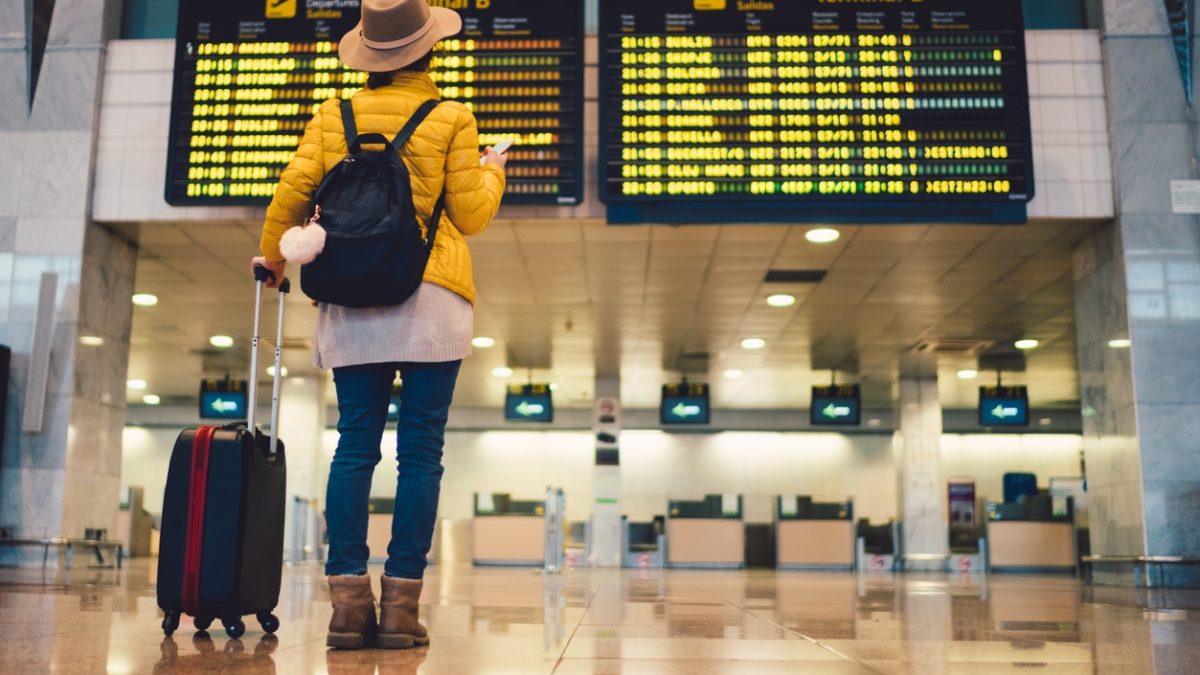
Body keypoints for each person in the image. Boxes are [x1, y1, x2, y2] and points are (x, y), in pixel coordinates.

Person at [250, 0, 507, 651]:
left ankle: (346, 607)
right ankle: (400, 608)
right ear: (429, 50)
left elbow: (292, 189)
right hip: (431, 296)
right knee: (421, 449)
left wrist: (276, 259)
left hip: (353, 291)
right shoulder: (450, 116)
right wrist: (492, 169)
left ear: (369, 52)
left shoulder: (333, 116)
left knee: (356, 442)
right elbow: (471, 214)